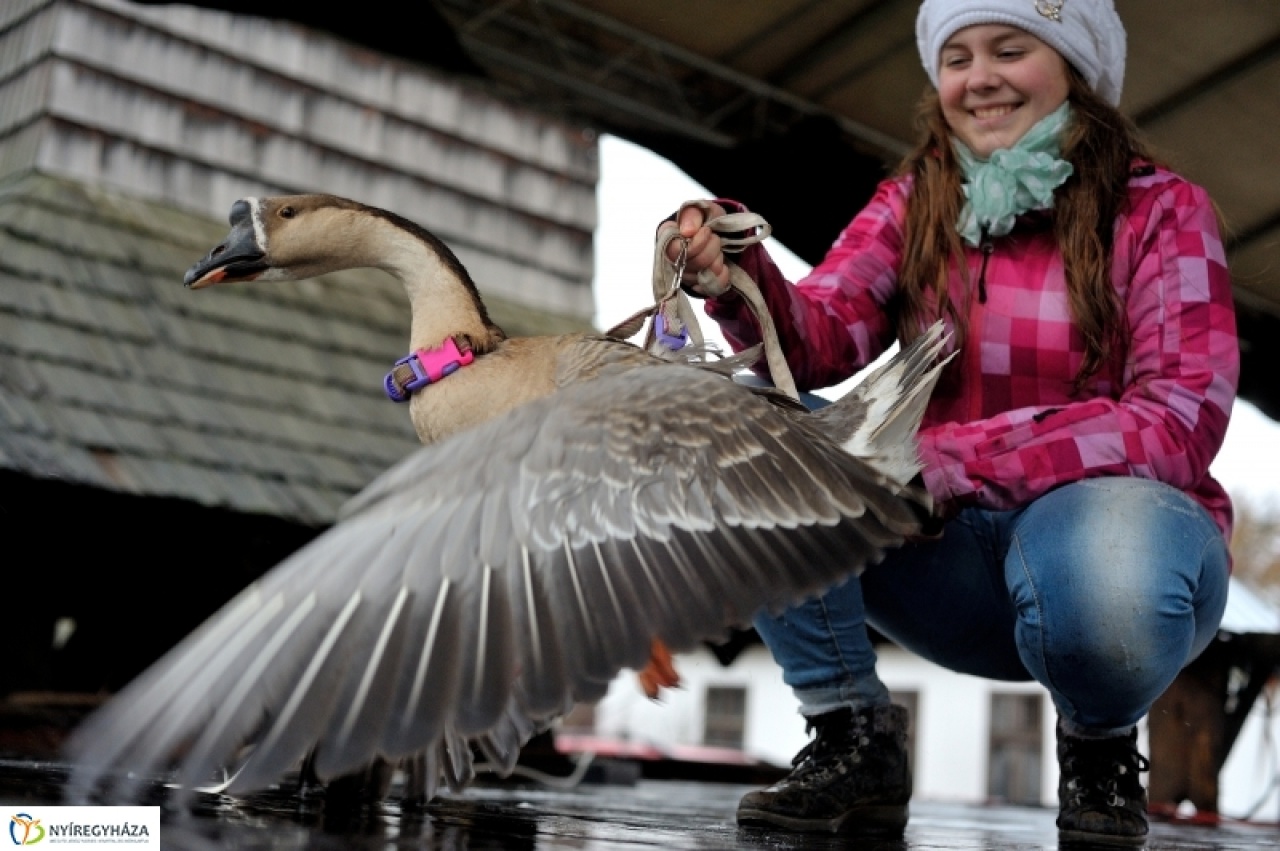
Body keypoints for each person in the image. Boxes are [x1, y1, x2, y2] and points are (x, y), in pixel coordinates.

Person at [659, 0, 1237, 845]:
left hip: (1110, 548)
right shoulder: (914, 201)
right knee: (746, 428)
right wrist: (737, 271)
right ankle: (851, 731)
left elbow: (1178, 419)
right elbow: (820, 338)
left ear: (1075, 68)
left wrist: (949, 460)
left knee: (1108, 566)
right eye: (958, 55)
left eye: (1011, 48)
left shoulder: (1162, 209)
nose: (981, 77)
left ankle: (1101, 744)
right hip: (947, 561)